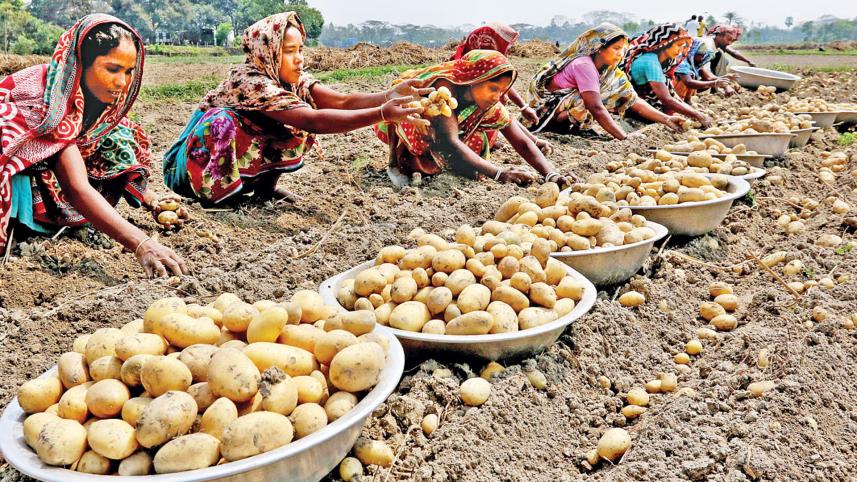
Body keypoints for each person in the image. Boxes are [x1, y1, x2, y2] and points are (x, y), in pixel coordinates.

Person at [163, 12, 430, 205]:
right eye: (290, 51)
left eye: (301, 49)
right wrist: (383, 113)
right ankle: (221, 198)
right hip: (185, 170)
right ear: (267, 52)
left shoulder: (292, 82)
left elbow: (341, 102)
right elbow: (313, 121)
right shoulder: (250, 80)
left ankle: (265, 190)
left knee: (287, 124)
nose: (299, 59)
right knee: (222, 121)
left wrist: (388, 95)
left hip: (221, 162)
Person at [0, 14, 187, 278]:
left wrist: (153, 200)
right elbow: (76, 188)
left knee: (118, 133)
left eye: (129, 71)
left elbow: (110, 153)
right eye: (112, 69)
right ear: (82, 63)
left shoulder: (95, 104)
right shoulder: (49, 101)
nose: (122, 83)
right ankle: (19, 225)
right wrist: (142, 243)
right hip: (16, 170)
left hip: (56, 164)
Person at [375, 50, 572, 187]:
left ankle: (431, 163)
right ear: (474, 79)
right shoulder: (444, 90)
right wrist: (499, 174)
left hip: (444, 134)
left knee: (478, 144)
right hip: (408, 119)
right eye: (493, 88)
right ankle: (397, 161)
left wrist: (550, 174)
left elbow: (521, 141)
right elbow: (451, 141)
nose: (497, 97)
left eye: (502, 91)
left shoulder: (489, 103)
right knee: (422, 132)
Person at [526, 23, 685, 140]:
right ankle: (558, 128)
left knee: (595, 98)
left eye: (623, 49)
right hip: (544, 114)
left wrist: (667, 119)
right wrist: (624, 137)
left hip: (565, 108)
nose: (620, 54)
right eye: (616, 48)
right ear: (599, 48)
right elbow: (595, 107)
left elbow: (632, 99)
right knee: (587, 101)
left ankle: (571, 126)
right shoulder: (584, 65)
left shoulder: (609, 71)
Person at [450, 23, 552, 154]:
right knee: (478, 140)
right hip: (452, 140)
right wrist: (533, 140)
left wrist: (523, 107)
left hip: (456, 135)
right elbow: (502, 116)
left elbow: (503, 109)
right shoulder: (461, 80)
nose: (507, 52)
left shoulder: (477, 72)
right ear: (489, 46)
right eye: (505, 47)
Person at [622, 24, 711, 127]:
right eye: (678, 45)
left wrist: (693, 112)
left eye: (683, 46)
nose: (681, 50)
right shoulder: (649, 61)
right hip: (636, 108)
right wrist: (697, 115)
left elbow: (672, 94)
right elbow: (666, 99)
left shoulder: (665, 61)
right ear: (665, 43)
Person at [674, 37, 738, 103]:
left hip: (686, 86)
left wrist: (724, 79)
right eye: (699, 55)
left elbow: (709, 77)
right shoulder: (682, 62)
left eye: (703, 55)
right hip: (671, 89)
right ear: (692, 51)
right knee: (691, 76)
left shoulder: (696, 63)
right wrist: (714, 83)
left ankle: (687, 100)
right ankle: (678, 101)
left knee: (704, 81)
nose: (701, 58)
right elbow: (689, 82)